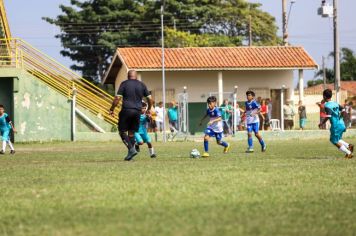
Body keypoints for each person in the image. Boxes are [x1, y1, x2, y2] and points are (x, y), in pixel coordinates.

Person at [109, 70, 152, 161]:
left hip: (127, 110)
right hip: (137, 111)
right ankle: (130, 156)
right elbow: (150, 98)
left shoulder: (124, 84)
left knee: (122, 131)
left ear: (128, 76)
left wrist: (112, 109)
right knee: (131, 133)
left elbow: (117, 98)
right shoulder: (142, 84)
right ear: (136, 76)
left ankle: (131, 149)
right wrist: (148, 109)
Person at [319, 89, 354, 159]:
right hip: (341, 123)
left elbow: (329, 116)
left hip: (335, 125)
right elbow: (343, 109)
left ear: (324, 96)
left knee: (333, 140)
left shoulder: (327, 105)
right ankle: (348, 146)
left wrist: (322, 123)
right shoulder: (335, 103)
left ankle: (349, 153)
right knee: (337, 139)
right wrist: (340, 117)